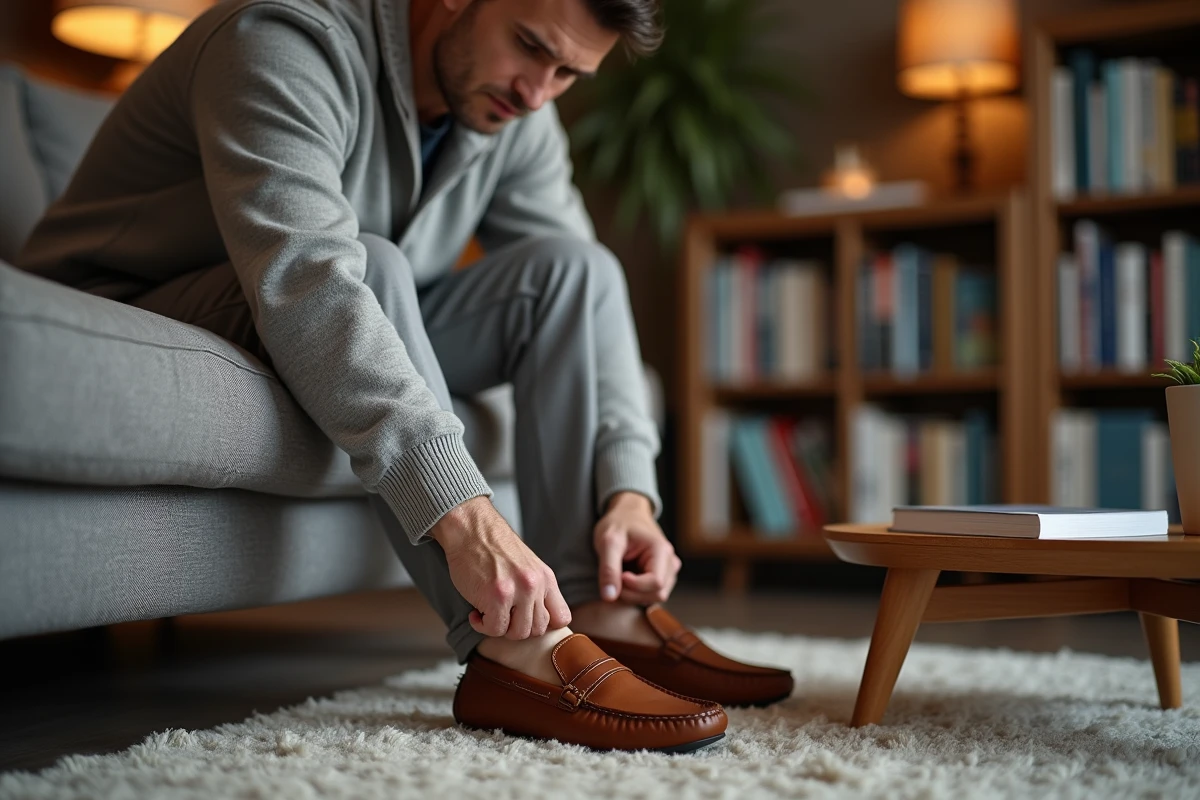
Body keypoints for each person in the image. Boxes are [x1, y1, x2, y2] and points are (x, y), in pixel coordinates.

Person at [16, 0, 793, 753]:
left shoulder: (515, 106)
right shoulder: (282, 38)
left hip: (320, 308)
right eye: (529, 44)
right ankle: (515, 648)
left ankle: (600, 606)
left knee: (574, 271)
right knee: (371, 261)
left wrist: (630, 493)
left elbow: (587, 300)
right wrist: (468, 514)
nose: (536, 92)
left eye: (567, 75)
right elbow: (309, 278)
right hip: (151, 304)